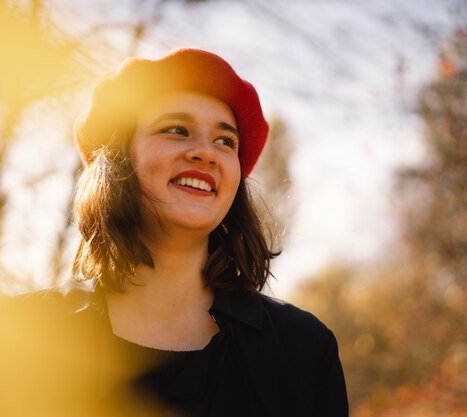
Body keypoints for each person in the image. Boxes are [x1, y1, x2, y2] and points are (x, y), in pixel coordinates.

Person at [19, 48, 348, 417]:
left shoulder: (302, 349)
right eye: (177, 130)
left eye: (226, 141)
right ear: (118, 162)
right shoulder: (18, 338)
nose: (206, 153)